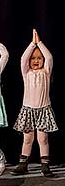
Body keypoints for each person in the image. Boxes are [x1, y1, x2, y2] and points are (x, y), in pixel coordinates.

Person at [12, 29, 58, 177]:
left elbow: (49, 57)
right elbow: (23, 59)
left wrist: (40, 43)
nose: (36, 61)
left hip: (43, 110)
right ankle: (23, 164)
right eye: (33, 59)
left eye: (39, 58)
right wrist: (33, 44)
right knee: (27, 138)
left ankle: (45, 165)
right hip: (28, 110)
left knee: (43, 139)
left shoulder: (46, 72)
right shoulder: (27, 73)